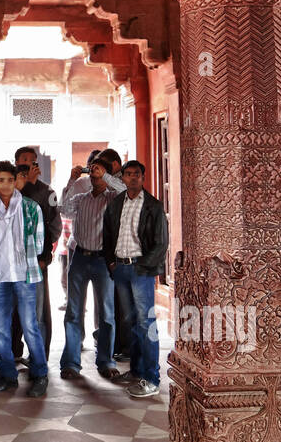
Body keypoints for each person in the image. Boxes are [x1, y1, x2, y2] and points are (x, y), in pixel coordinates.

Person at [104, 160, 169, 399]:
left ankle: (152, 378)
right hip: (120, 268)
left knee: (146, 324)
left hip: (141, 270)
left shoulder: (153, 206)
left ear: (143, 178)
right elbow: (108, 234)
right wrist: (111, 261)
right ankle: (136, 371)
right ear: (122, 178)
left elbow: (161, 244)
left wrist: (143, 266)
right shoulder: (116, 204)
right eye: (128, 174)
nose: (132, 178)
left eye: (136, 175)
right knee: (130, 323)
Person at [59, 155, 126, 382]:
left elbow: (125, 190)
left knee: (107, 314)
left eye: (100, 172)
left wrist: (104, 175)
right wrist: (72, 179)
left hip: (102, 259)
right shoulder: (81, 198)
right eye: (94, 171)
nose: (95, 176)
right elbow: (64, 208)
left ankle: (106, 361)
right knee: (73, 312)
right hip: (79, 258)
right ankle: (70, 363)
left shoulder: (113, 198)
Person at [0, 160, 48, 397]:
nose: (6, 185)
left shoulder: (30, 208)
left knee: (30, 325)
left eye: (10, 180)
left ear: (15, 181)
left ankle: (40, 374)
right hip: (0, 275)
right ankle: (8, 375)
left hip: (24, 274)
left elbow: (39, 243)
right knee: (1, 328)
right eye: (0, 180)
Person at [14, 146, 61, 356]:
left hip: (38, 260)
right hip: (12, 261)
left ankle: (39, 355)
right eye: (23, 160)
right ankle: (14, 352)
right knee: (12, 311)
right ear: (16, 162)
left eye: (32, 161)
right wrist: (25, 185)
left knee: (39, 311)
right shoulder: (10, 187)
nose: (27, 164)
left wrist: (45, 256)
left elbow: (54, 225)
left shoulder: (48, 191)